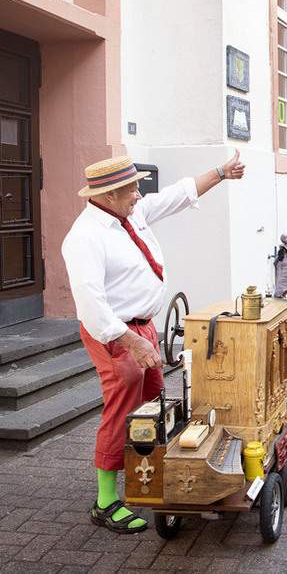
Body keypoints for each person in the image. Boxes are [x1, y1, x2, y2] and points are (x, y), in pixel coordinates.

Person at [61, 151, 246, 534]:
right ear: (108, 195)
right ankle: (106, 501)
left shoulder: (131, 214)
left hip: (140, 329)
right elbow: (92, 308)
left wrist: (219, 173)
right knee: (124, 408)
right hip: (115, 334)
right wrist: (132, 342)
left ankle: (149, 476)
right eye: (132, 188)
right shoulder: (85, 237)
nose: (140, 194)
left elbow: (177, 195)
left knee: (153, 401)